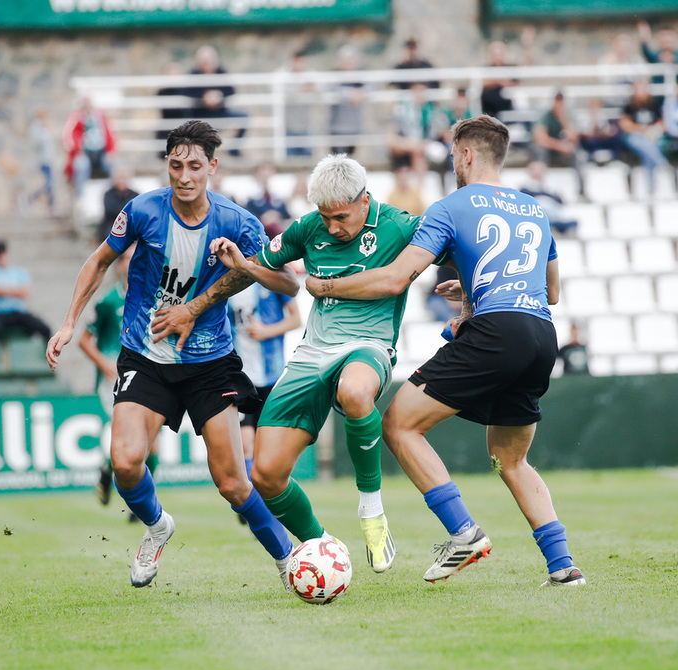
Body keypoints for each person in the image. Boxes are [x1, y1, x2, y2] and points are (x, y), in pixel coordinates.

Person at [305, 116, 585, 588]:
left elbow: (397, 277)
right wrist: (475, 293)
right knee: (510, 458)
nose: (452, 163)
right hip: (540, 334)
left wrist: (325, 285)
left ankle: (463, 532)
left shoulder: (451, 206)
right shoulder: (533, 208)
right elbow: (551, 291)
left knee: (398, 423)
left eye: (454, 154)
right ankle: (563, 566)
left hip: (496, 332)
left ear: (468, 155)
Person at [45, 120, 299, 590]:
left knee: (232, 483)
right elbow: (100, 261)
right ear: (167, 164)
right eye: (176, 165)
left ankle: (290, 561)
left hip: (209, 364)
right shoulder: (142, 210)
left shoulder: (237, 221)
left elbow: (288, 282)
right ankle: (158, 525)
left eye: (195, 166)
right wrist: (68, 323)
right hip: (145, 357)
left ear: (213, 168)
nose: (184, 176)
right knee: (124, 461)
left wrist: (244, 265)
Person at [197, 154, 420, 576]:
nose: (333, 227)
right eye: (325, 216)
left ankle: (371, 512)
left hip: (367, 344)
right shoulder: (306, 228)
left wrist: (466, 297)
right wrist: (242, 265)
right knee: (265, 475)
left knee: (355, 392)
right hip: (311, 353)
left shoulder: (399, 225)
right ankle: (323, 546)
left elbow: (456, 250)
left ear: (363, 199)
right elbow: (267, 265)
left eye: (340, 217)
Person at [77, 247, 159, 513]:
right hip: (115, 379)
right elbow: (84, 341)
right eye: (126, 258)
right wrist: (104, 363)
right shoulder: (108, 300)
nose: (131, 263)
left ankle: (114, 477)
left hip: (146, 375)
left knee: (152, 444)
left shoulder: (154, 297)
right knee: (133, 437)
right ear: (120, 265)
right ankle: (137, 500)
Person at [226, 281, 302, 502]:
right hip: (241, 376)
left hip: (271, 376)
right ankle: (250, 498)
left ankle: (261, 496)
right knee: (244, 442)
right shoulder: (229, 282)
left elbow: (296, 319)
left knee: (266, 448)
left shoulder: (272, 278)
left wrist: (266, 330)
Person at [181, 46, 247, 156]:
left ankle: (234, 150)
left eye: (210, 60)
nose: (207, 63)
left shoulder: (221, 72)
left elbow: (231, 91)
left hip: (220, 113)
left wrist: (219, 96)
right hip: (199, 114)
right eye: (204, 60)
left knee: (243, 117)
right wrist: (203, 98)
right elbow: (186, 93)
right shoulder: (193, 74)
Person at [0, 240, 51, 341]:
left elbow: (25, 292)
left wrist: (1, 289)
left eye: (3, 253)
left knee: (44, 328)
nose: (1, 256)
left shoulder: (19, 272)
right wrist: (15, 291)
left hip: (17, 312)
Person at [619, 79, 669, 194]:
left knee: (648, 151)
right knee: (642, 143)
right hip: (636, 136)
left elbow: (662, 122)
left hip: (651, 135)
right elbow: (625, 124)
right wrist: (640, 129)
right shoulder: (630, 106)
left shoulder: (653, 105)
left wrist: (652, 129)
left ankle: (652, 188)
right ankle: (661, 162)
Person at [532, 92, 585, 197]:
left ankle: (582, 189)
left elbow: (574, 138)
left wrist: (563, 120)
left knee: (578, 154)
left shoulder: (568, 115)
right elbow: (539, 138)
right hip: (549, 147)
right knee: (540, 151)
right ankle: (539, 187)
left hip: (561, 147)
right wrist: (559, 146)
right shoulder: (546, 116)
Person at [62, 97, 116, 199]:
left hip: (101, 153)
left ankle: (113, 197)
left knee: (115, 166)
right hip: (83, 153)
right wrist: (75, 151)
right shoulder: (76, 118)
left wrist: (111, 151)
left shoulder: (100, 117)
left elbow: (111, 134)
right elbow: (67, 137)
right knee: (81, 165)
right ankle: (81, 198)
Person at [520, 160, 578, 236]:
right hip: (538, 219)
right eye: (535, 169)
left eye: (541, 169)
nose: (538, 172)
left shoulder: (551, 188)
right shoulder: (525, 188)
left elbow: (561, 202)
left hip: (554, 217)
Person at [328, 46, 368, 156]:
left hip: (354, 126)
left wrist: (360, 93)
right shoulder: (335, 76)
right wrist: (351, 94)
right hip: (337, 127)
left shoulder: (360, 77)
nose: (348, 63)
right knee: (337, 159)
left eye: (351, 60)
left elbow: (370, 88)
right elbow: (330, 89)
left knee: (351, 159)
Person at [98, 166, 139, 243]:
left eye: (124, 178)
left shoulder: (135, 195)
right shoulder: (108, 194)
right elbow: (110, 211)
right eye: (119, 177)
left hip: (130, 230)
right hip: (110, 230)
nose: (121, 181)